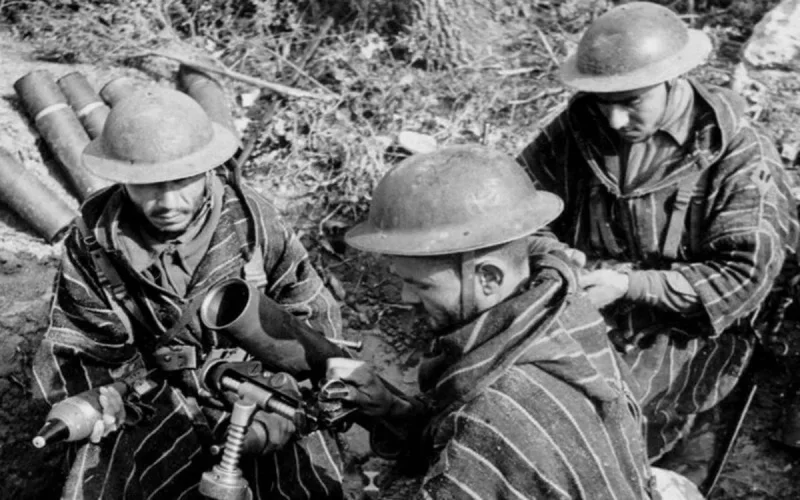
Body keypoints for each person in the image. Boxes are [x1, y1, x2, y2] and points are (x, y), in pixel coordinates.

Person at [516, 1, 800, 488]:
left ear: (675, 80)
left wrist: (631, 284)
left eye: (631, 102)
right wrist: (555, 255)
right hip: (588, 297)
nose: (615, 122)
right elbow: (521, 202)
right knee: (525, 401)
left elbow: (743, 277)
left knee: (626, 430)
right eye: (605, 102)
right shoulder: (581, 126)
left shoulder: (737, 155)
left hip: (692, 322)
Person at [328, 144, 702, 499]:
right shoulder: (559, 307)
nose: (407, 298)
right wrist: (392, 409)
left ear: (489, 278)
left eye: (420, 284)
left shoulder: (493, 415)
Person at [32, 88, 345, 499]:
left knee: (308, 481)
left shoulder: (253, 224)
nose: (167, 202)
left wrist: (287, 395)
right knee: (101, 478)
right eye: (147, 185)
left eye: (182, 180)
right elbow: (78, 346)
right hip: (157, 394)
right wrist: (105, 401)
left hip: (263, 386)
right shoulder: (93, 241)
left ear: (206, 168)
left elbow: (311, 315)